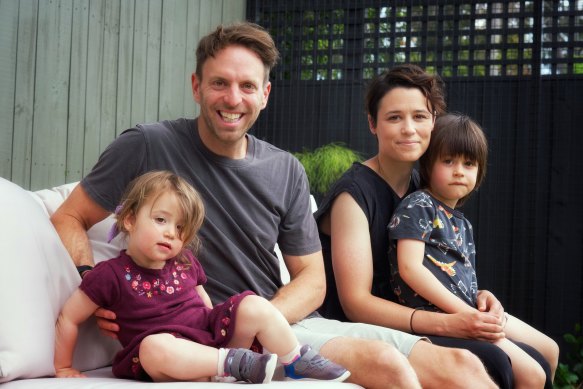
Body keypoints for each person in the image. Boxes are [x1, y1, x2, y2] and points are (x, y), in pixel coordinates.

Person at [51, 22, 497, 388]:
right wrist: (92, 281)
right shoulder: (148, 144)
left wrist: (265, 323)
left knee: (465, 369)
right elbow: (70, 215)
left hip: (280, 325)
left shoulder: (284, 169)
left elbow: (312, 279)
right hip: (198, 333)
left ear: (265, 94)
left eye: (248, 86)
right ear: (196, 86)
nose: (233, 99)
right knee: (389, 366)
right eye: (219, 83)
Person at [314, 64, 555, 388]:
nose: (409, 129)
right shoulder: (354, 196)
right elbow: (356, 304)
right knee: (502, 361)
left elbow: (442, 262)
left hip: (429, 310)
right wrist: (450, 324)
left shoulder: (425, 187)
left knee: (545, 352)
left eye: (420, 116)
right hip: (369, 326)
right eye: (394, 117)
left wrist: (480, 297)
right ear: (373, 124)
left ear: (434, 121)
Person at [54, 171, 350, 383]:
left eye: (181, 228)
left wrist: (222, 323)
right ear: (129, 219)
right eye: (160, 220)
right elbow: (69, 316)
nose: (171, 232)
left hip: (208, 340)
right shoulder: (110, 275)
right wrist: (63, 366)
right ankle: (231, 365)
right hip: (169, 354)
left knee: (253, 304)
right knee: (152, 348)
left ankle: (295, 358)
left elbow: (203, 302)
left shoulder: (184, 261)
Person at [388, 113, 559, 388]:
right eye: (448, 161)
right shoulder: (419, 204)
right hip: (441, 316)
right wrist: (466, 315)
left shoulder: (462, 222)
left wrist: (482, 296)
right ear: (428, 164)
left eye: (469, 163)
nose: (459, 170)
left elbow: (461, 277)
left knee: (550, 349)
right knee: (532, 374)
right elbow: (410, 268)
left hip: (468, 309)